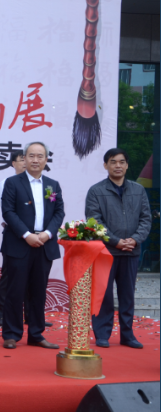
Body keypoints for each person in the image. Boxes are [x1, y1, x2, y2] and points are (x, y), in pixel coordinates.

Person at [1, 142, 64, 350]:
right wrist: (27, 235)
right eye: (31, 156)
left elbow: (59, 213)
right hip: (19, 244)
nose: (35, 160)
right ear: (24, 159)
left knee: (39, 292)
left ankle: (36, 334)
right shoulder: (12, 183)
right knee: (15, 291)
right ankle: (11, 334)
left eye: (40, 156)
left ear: (46, 159)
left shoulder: (53, 185)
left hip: (44, 244)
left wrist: (47, 234)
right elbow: (8, 212)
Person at [86, 148, 152, 349]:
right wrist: (115, 241)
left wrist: (134, 239)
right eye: (113, 162)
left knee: (127, 295)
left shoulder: (138, 190)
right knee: (104, 295)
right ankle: (102, 334)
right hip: (105, 252)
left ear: (127, 165)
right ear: (105, 165)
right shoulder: (96, 191)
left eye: (122, 162)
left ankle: (127, 335)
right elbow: (94, 222)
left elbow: (146, 219)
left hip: (131, 251)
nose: (118, 166)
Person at [0, 151, 26, 328]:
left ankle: (30, 314)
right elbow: (9, 210)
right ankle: (3, 313)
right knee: (9, 276)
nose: (25, 162)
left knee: (32, 277)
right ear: (13, 164)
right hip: (14, 234)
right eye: (21, 160)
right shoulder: (7, 183)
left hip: (35, 236)